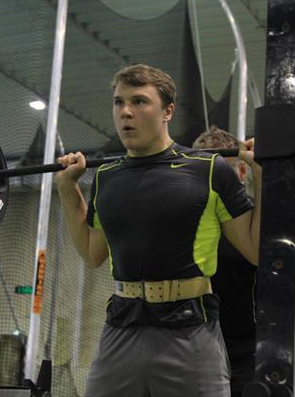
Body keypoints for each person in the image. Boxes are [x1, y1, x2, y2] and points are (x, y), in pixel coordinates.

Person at [55, 64, 261, 397]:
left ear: (167, 111)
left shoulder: (209, 170)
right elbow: (92, 253)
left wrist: (262, 174)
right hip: (121, 325)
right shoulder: (107, 177)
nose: (126, 112)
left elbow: (254, 249)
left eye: (139, 101)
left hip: (189, 330)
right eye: (119, 102)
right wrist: (68, 189)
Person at [193, 126, 258, 397]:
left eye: (221, 175)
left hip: (246, 354)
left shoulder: (255, 219)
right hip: (193, 350)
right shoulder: (186, 219)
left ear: (242, 172)